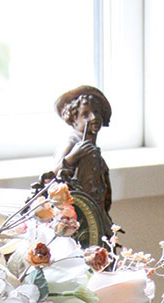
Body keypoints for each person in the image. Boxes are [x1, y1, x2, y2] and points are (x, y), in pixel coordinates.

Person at [54, 85, 113, 242]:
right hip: (79, 211)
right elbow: (54, 173)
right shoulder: (73, 141)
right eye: (85, 114)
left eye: (97, 112)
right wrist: (73, 156)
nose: (93, 117)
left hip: (97, 208)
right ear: (74, 119)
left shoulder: (92, 145)